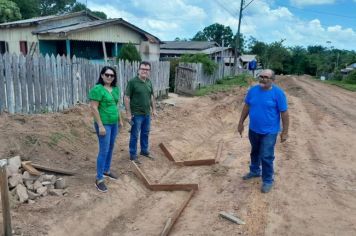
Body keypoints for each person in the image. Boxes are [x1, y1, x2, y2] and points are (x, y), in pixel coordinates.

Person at [237, 69, 289, 193]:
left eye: (266, 77)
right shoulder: (253, 91)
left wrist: (285, 132)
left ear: (272, 80)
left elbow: (284, 113)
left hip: (269, 131)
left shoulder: (278, 93)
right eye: (261, 76)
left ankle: (267, 180)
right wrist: (240, 122)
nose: (263, 79)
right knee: (255, 152)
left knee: (266, 156)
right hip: (254, 129)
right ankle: (254, 171)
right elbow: (247, 106)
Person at [89, 66, 123, 193]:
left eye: (112, 75)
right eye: (107, 75)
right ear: (102, 75)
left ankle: (106, 170)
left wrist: (120, 120)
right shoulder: (97, 89)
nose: (109, 77)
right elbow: (94, 108)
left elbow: (116, 105)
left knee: (111, 147)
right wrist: (101, 125)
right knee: (103, 150)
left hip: (114, 123)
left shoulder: (115, 89)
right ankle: (99, 179)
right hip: (104, 124)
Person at [124, 61, 157, 164]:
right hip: (136, 114)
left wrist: (154, 109)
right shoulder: (132, 82)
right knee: (134, 134)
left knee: (145, 133)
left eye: (147, 69)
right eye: (143, 69)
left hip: (147, 114)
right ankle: (133, 155)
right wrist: (128, 114)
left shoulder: (149, 82)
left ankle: (144, 151)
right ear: (138, 70)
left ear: (149, 71)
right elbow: (126, 97)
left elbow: (151, 96)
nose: (144, 71)